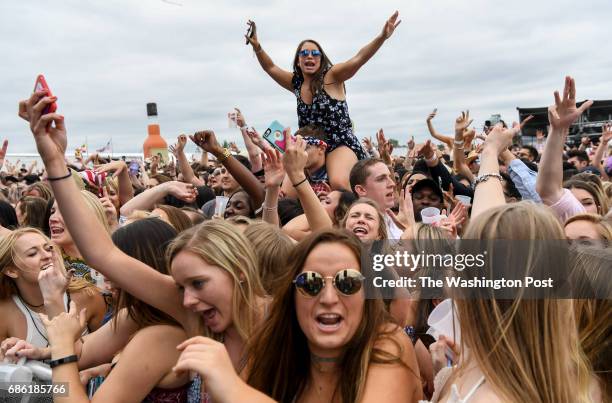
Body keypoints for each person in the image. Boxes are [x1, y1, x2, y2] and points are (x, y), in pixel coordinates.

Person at [171, 230, 422, 402]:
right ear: (291, 295)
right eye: (310, 283)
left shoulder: (388, 344)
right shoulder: (271, 351)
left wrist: (233, 389)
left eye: (347, 282)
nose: (328, 298)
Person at [36, 218, 194, 402]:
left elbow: (68, 352)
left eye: (114, 267)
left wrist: (61, 344)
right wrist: (53, 298)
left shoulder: (161, 336)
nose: (105, 276)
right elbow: (82, 354)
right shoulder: (138, 314)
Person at [245, 12, 401, 190]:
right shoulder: (296, 83)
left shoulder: (333, 76)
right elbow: (270, 67)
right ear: (298, 61)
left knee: (339, 183)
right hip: (308, 146)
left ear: (321, 59)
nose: (309, 57)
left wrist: (382, 37)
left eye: (315, 53)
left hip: (339, 142)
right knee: (288, 192)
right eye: (304, 53)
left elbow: (359, 59)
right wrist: (257, 47)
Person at [0, 228, 106, 354]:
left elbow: (107, 353)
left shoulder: (87, 295)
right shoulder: (4, 312)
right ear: (11, 271)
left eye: (48, 248)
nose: (47, 255)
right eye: (33, 253)